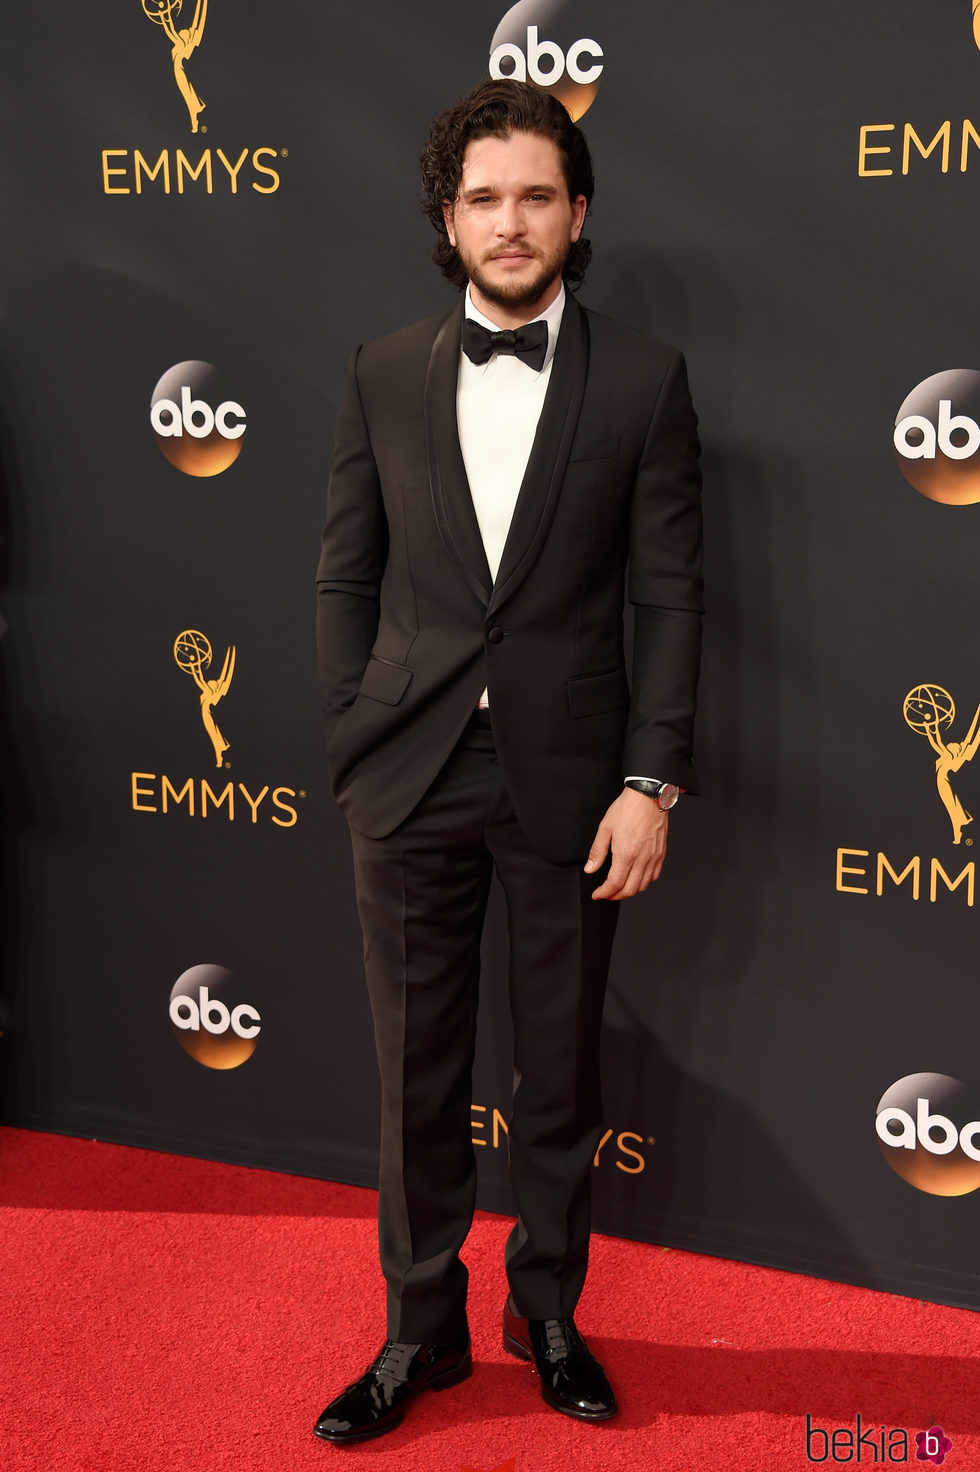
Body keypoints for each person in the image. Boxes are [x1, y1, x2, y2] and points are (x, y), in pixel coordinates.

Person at [313, 77, 703, 1443]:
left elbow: (670, 599)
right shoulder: (381, 368)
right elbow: (344, 575)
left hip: (571, 785)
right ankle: (417, 1331)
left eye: (538, 194)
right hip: (406, 778)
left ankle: (547, 1310)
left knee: (558, 1072)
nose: (512, 220)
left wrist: (649, 781)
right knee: (413, 1072)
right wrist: (353, 734)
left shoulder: (646, 379)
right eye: (485, 197)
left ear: (578, 212)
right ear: (448, 215)